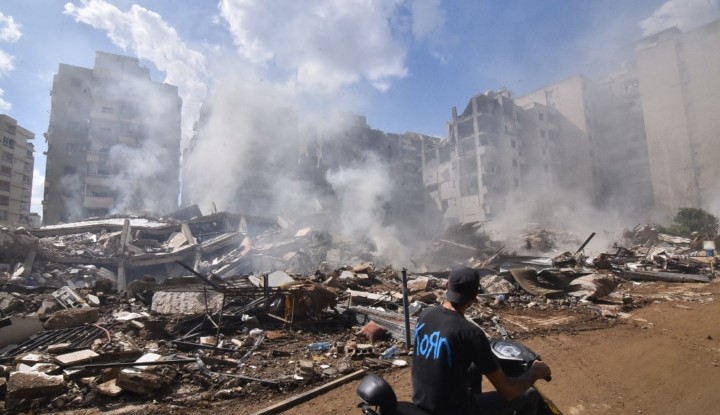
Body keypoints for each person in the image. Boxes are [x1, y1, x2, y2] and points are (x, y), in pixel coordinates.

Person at [412, 266, 551, 415]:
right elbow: (509, 392)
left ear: (446, 285)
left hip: (422, 402)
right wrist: (533, 373)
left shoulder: (426, 314)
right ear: (474, 296)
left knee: (474, 367)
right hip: (454, 411)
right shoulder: (471, 333)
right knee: (529, 395)